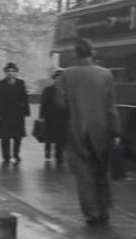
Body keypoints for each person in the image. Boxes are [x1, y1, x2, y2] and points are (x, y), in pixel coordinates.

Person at [56, 38, 120, 226]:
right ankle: (104, 209)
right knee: (101, 170)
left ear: (75, 53)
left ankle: (91, 212)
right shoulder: (106, 74)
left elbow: (60, 104)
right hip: (101, 130)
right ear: (93, 53)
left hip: (77, 130)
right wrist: (116, 131)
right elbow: (111, 107)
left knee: (83, 174)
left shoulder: (66, 74)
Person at [0, 62, 29, 163]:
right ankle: (6, 155)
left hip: (17, 114)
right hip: (4, 114)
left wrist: (25, 112)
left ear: (16, 72)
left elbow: (24, 98)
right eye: (8, 71)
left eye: (13, 71)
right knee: (5, 136)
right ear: (5, 72)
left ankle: (16, 154)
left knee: (18, 136)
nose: (10, 73)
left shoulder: (20, 83)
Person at [38, 69, 67, 163]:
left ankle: (59, 154)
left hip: (63, 117)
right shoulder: (48, 90)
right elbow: (43, 104)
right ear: (54, 79)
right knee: (49, 136)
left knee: (61, 137)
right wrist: (42, 116)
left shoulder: (67, 90)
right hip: (50, 117)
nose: (59, 80)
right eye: (57, 78)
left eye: (61, 78)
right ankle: (47, 150)